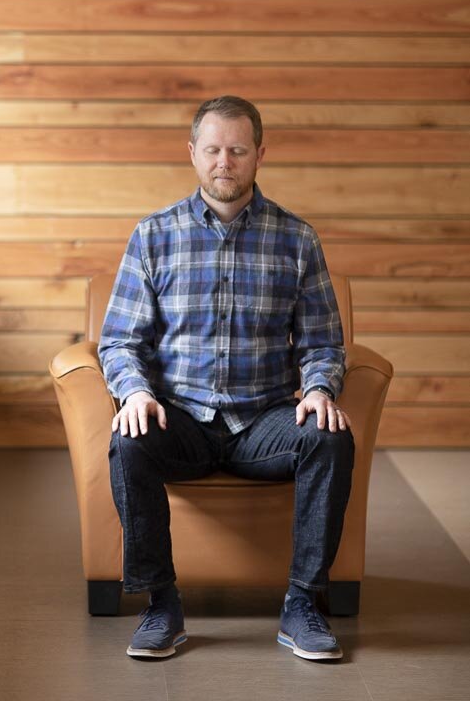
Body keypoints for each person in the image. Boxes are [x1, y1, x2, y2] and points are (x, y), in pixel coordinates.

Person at [99, 95, 354, 662]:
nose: (224, 163)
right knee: (127, 440)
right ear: (192, 153)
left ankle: (302, 603)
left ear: (260, 154)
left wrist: (318, 388)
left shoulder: (297, 239)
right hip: (180, 417)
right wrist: (135, 391)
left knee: (329, 437)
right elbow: (119, 340)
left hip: (262, 422)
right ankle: (160, 603)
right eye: (212, 150)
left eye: (237, 150)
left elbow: (321, 341)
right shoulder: (153, 236)